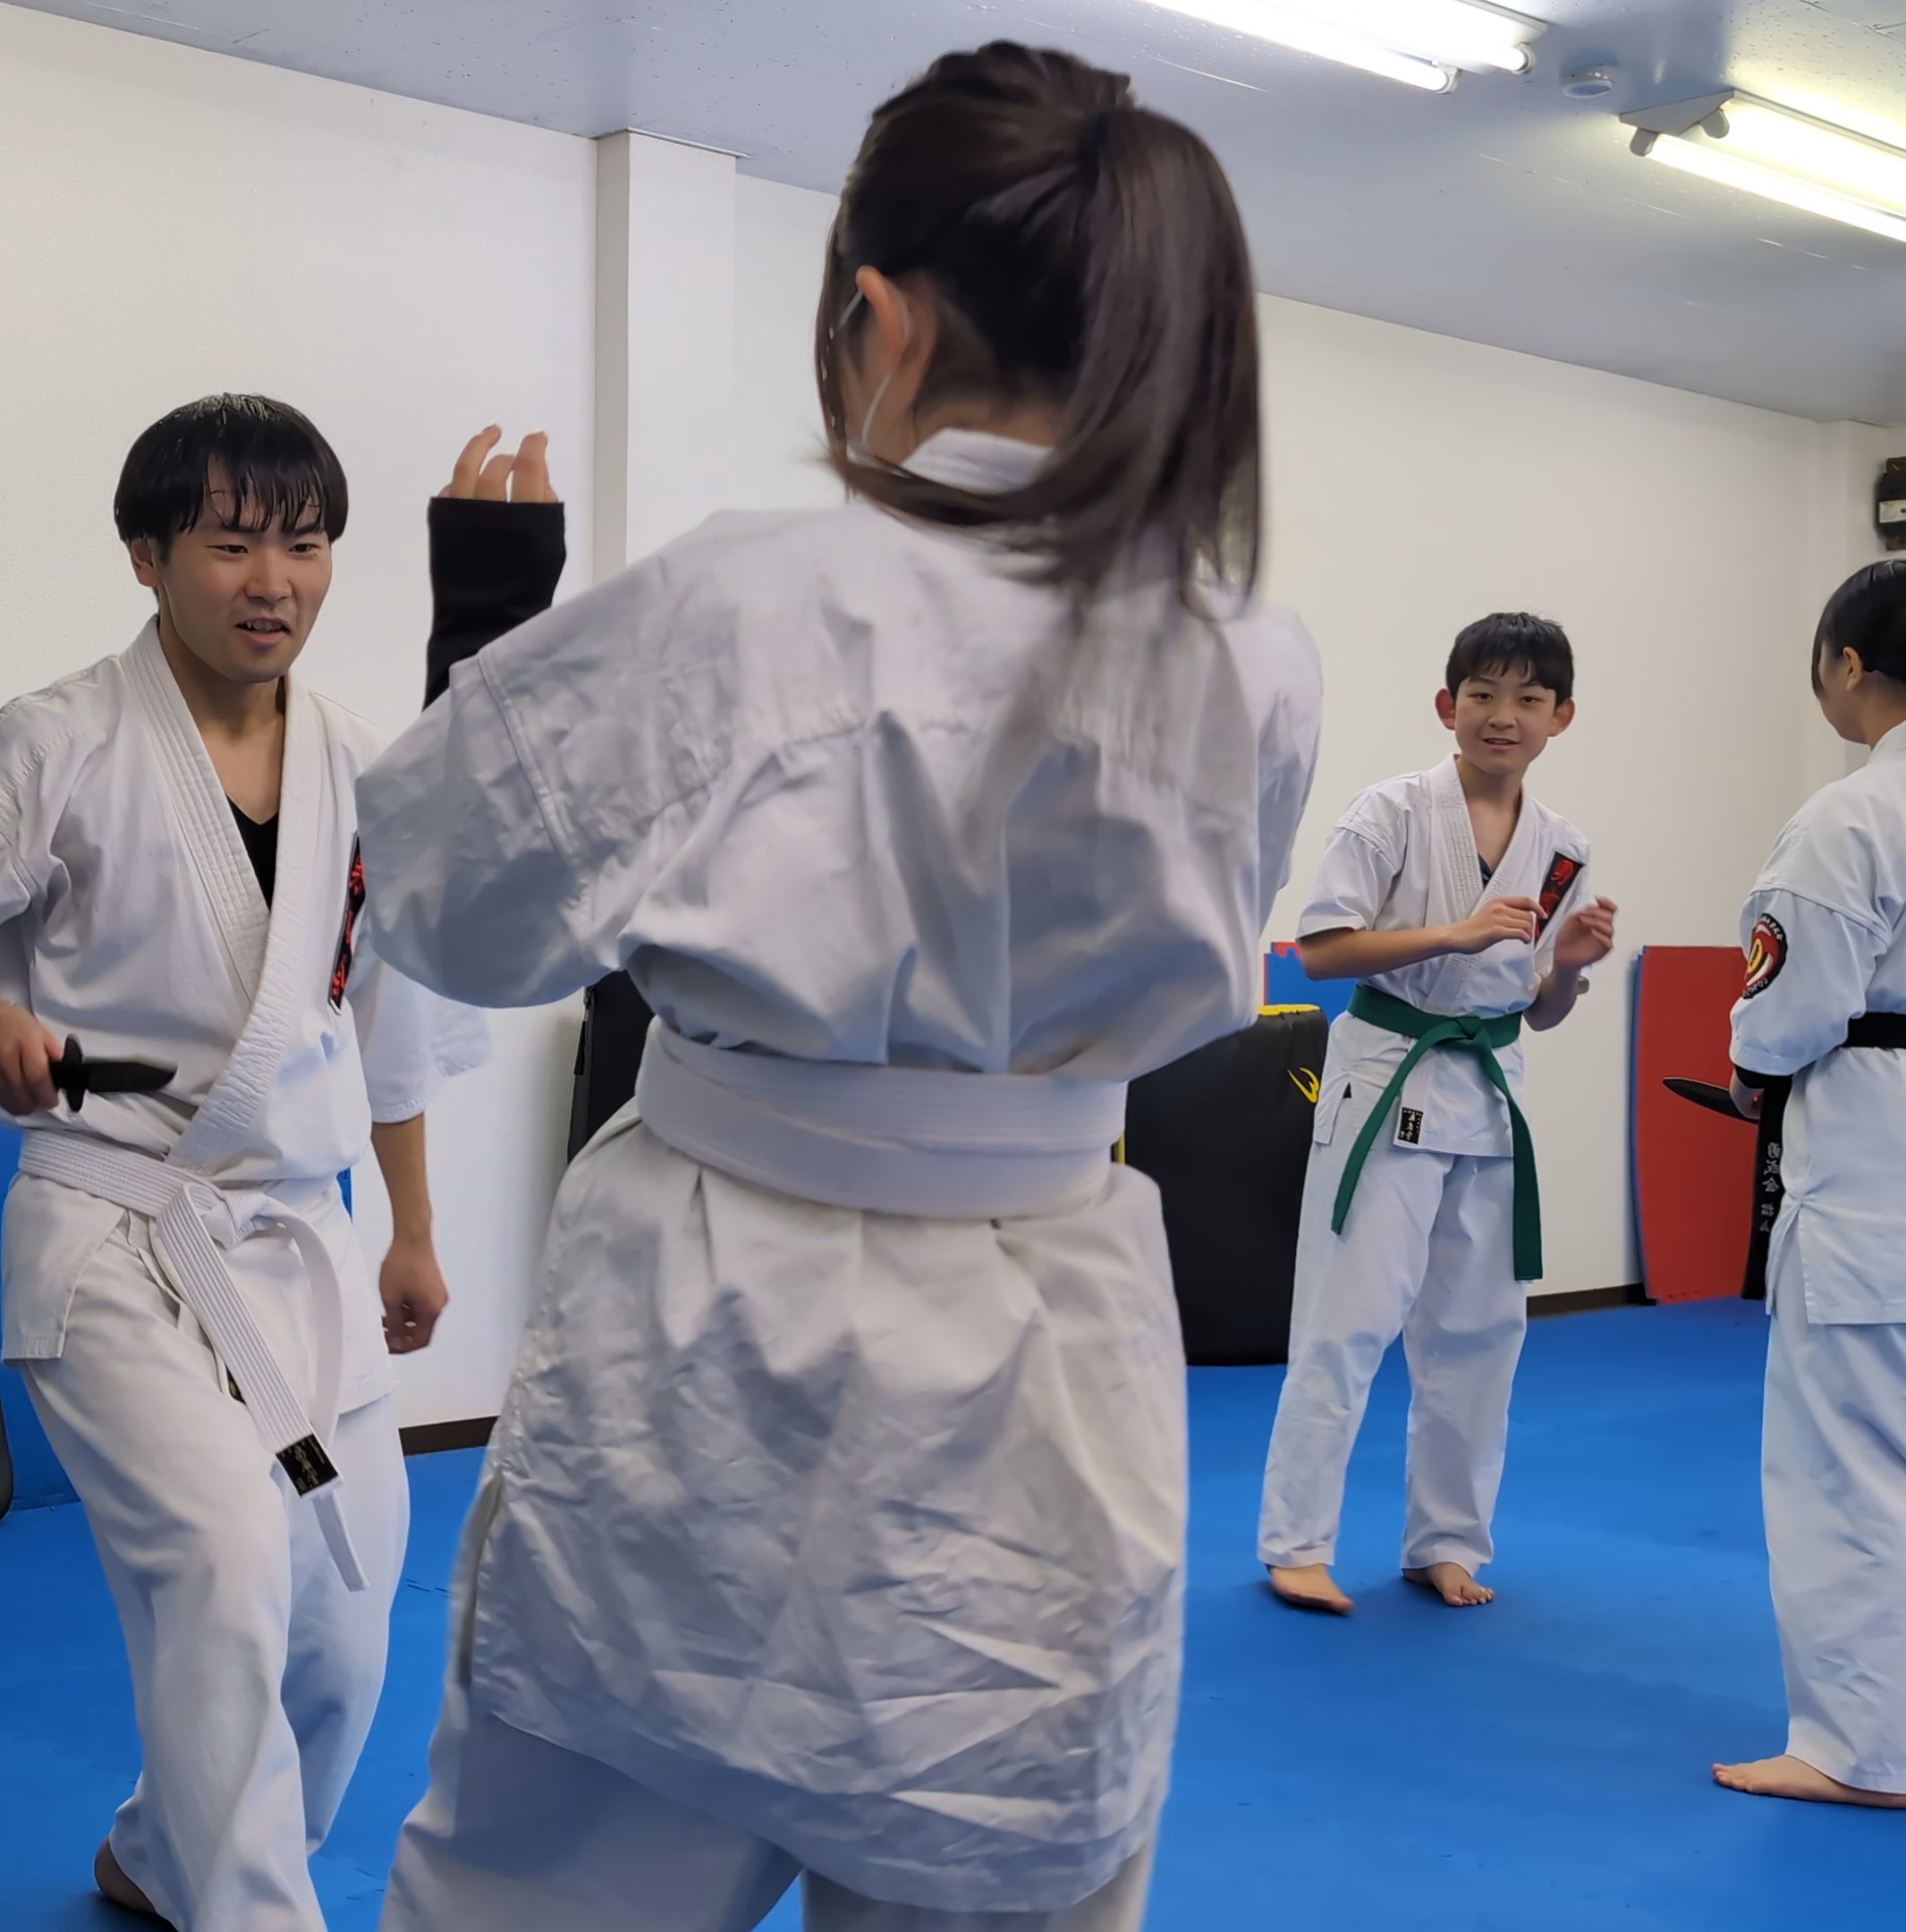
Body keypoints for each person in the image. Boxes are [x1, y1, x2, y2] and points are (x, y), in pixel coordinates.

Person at [358, 44, 1321, 1931]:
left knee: (550, 1886)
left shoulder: (748, 599)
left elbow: (456, 919)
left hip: (714, 1327)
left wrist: (488, 633)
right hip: (1050, 1337)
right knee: (999, 1849)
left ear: (886, 321)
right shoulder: (1252, 659)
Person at [0, 394, 489, 1927]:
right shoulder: (56, 742)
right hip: (116, 1235)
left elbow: (386, 1029)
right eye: (233, 543)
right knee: (223, 1557)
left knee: (346, 1612)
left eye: (306, 545)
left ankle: (161, 1850)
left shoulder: (362, 766)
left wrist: (412, 1228)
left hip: (301, 1246)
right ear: (147, 555)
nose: (275, 581)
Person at [1255, 614, 1618, 1614]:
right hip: (1386, 1077)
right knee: (1346, 1321)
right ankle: (1296, 1542)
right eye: (1485, 694)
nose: (1505, 716)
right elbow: (1320, 951)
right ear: (1447, 705)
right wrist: (1453, 935)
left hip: (1488, 1094)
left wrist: (1567, 969)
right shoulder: (1390, 813)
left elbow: (1537, 1008)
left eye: (1530, 699)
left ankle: (1447, 1541)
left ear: (1561, 717)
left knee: (1480, 1332)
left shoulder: (1562, 851)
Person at [1707, 557, 1906, 1809]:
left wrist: (1747, 1070)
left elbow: (1790, 1014)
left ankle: (1858, 1749)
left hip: (1889, 1171)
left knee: (1860, 1456)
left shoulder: (1855, 814)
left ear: (1847, 666)